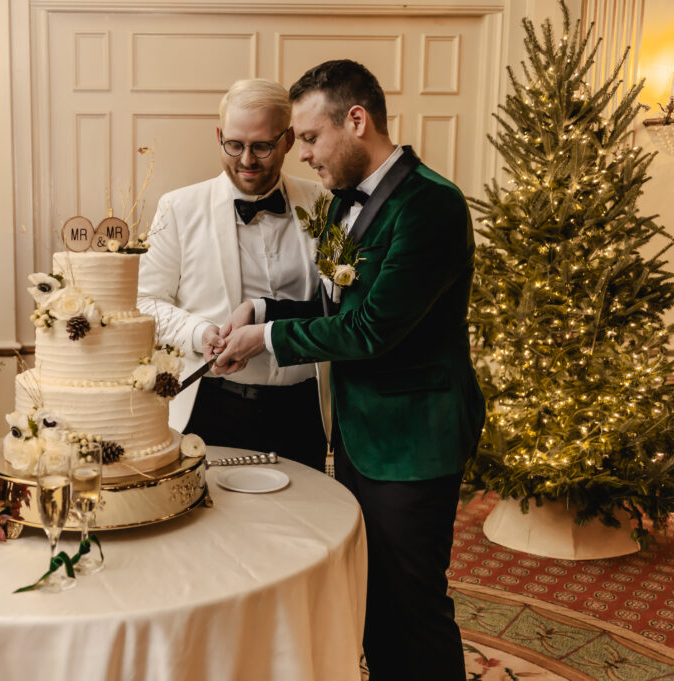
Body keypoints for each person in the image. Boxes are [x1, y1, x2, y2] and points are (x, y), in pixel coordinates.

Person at [213, 60, 486, 680]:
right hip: (359, 437)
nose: (299, 153)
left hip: (414, 439)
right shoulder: (345, 205)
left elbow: (371, 329)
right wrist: (261, 307)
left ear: (356, 120)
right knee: (374, 597)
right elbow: (343, 303)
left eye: (309, 137)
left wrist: (265, 337)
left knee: (414, 604)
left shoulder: (431, 207)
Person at [137, 78, 328, 471]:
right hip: (212, 406)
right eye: (234, 145)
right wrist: (199, 333)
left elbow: (336, 304)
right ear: (220, 135)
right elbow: (144, 302)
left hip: (305, 409)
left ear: (289, 139)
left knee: (304, 526)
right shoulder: (178, 207)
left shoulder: (324, 202)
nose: (246, 160)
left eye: (262, 146)